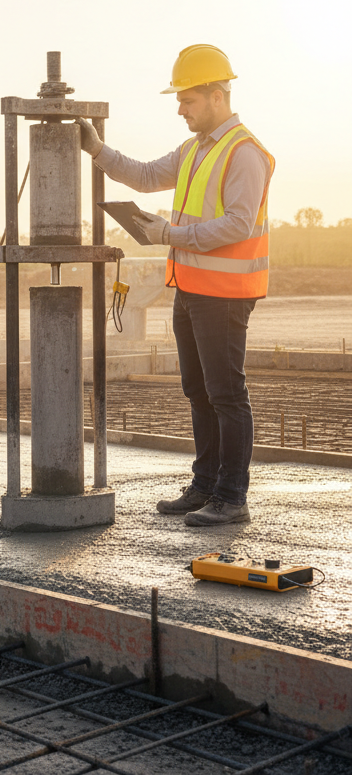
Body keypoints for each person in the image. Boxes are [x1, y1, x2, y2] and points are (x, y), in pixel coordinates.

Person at [77, 44, 274, 527]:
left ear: (216, 95)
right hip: (190, 290)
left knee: (226, 394)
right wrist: (95, 149)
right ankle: (206, 486)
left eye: (187, 100)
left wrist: (169, 235)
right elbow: (145, 176)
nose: (180, 109)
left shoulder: (245, 153)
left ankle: (232, 497)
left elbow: (239, 225)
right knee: (198, 390)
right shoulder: (195, 149)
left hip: (225, 296)